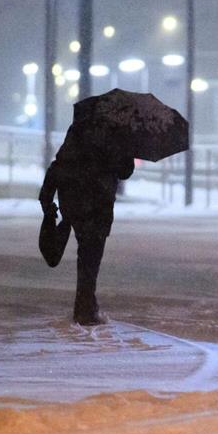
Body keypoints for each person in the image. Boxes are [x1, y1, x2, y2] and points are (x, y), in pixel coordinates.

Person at [38, 122, 134, 325]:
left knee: (86, 255)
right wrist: (127, 150)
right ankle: (85, 308)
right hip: (99, 207)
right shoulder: (114, 138)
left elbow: (58, 167)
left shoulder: (77, 131)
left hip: (74, 206)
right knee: (90, 257)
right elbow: (125, 171)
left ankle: (87, 303)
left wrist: (48, 201)